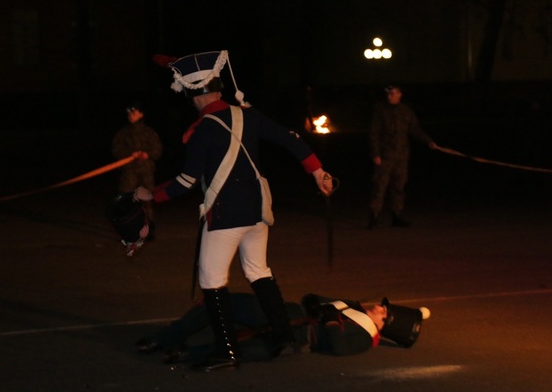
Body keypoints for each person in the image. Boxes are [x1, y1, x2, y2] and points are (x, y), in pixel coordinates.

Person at [136, 50, 333, 371]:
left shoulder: (202, 129)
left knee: (212, 279)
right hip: (258, 210)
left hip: (227, 214)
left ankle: (227, 351)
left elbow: (185, 182)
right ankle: (284, 338)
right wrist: (318, 171)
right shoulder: (248, 115)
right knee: (259, 271)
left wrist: (150, 195)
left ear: (194, 94)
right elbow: (291, 139)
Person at [134, 293, 428, 365]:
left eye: (383, 311)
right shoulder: (353, 304)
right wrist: (321, 307)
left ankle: (184, 352)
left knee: (241, 350)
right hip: (289, 313)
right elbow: (311, 299)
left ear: (383, 324)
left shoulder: (365, 338)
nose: (378, 306)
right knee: (221, 302)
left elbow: (337, 346)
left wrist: (327, 318)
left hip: (298, 337)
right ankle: (163, 339)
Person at [368, 85, 436, 229]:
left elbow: (414, 129)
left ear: (399, 94)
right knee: (380, 186)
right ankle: (374, 216)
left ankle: (396, 216)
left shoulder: (405, 111)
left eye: (393, 93)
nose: (390, 96)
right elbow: (374, 133)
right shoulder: (381, 110)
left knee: (398, 186)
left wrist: (428, 141)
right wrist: (375, 153)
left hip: (401, 155)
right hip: (385, 155)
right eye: (388, 94)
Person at [111, 102, 163, 223]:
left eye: (133, 113)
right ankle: (128, 230)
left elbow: (157, 149)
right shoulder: (123, 133)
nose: (130, 115)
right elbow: (116, 149)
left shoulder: (149, 132)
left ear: (141, 114)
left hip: (146, 171)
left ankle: (148, 229)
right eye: (129, 113)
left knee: (146, 200)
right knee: (126, 200)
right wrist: (130, 154)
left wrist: (147, 154)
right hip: (129, 171)